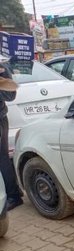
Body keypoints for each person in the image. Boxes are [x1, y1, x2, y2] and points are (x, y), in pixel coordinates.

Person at [0, 61, 23, 210]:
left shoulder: (2, 67)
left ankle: (13, 195)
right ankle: (13, 192)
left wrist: (1, 75)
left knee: (1, 159)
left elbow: (10, 94)